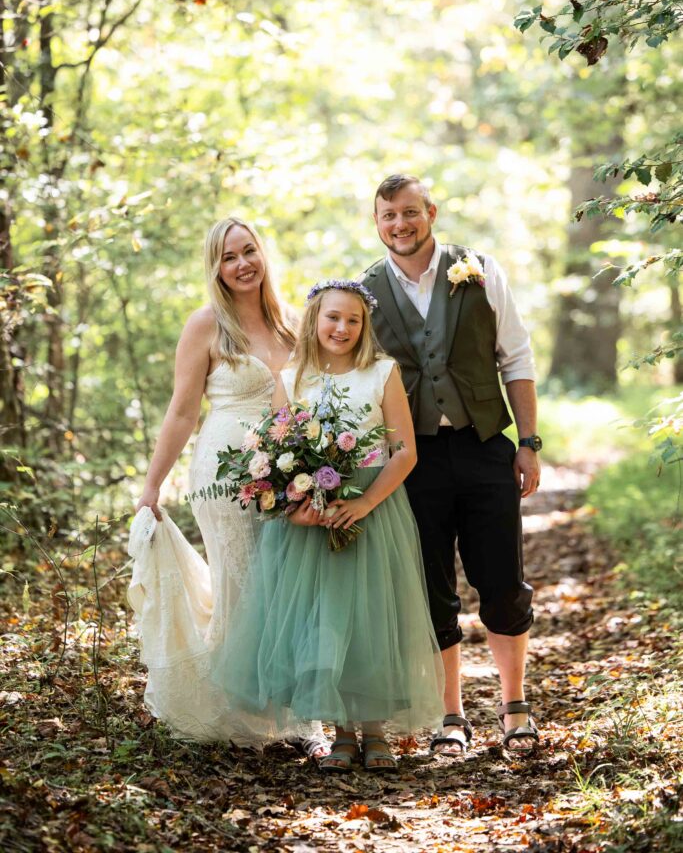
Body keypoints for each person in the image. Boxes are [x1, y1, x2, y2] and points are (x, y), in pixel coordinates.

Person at [213, 281, 444, 772]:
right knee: (325, 621)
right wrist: (295, 506)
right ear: (315, 319)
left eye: (354, 320)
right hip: (310, 520)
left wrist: (365, 504)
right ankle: (341, 732)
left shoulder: (382, 373)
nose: (342, 328)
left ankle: (376, 730)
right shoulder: (293, 376)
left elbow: (405, 451)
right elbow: (273, 454)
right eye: (333, 318)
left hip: (371, 507)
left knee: (371, 615)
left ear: (365, 327)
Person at [129, 216, 328, 756]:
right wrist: (153, 485)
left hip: (289, 469)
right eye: (228, 257)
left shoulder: (295, 323)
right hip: (223, 472)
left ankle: (286, 713)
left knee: (288, 586)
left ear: (263, 254)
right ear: (215, 268)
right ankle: (244, 719)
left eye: (248, 252)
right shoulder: (206, 326)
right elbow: (181, 411)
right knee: (242, 582)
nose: (242, 264)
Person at [360, 174, 541, 755]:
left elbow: (516, 357)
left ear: (430, 212)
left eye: (409, 212)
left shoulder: (480, 270)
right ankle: (451, 717)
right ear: (377, 222)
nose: (400, 225)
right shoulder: (363, 292)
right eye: (388, 216)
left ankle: (514, 707)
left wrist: (529, 441)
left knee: (502, 582)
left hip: (484, 443)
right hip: (412, 459)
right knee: (431, 588)